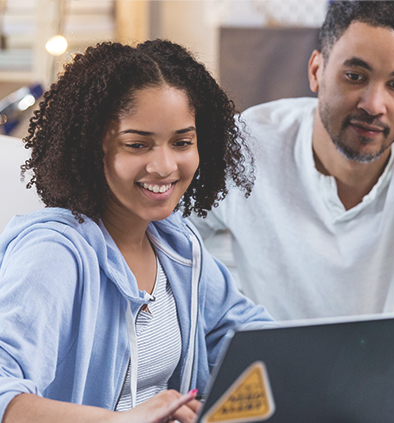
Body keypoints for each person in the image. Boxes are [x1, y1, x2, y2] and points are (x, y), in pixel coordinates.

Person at [0, 40, 272, 423]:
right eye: (137, 145)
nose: (164, 166)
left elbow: (251, 338)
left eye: (182, 142)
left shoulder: (176, 244)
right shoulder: (54, 253)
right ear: (93, 148)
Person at [192, 0, 394, 320]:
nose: (374, 104)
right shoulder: (249, 145)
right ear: (316, 71)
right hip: (271, 366)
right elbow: (170, 232)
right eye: (355, 76)